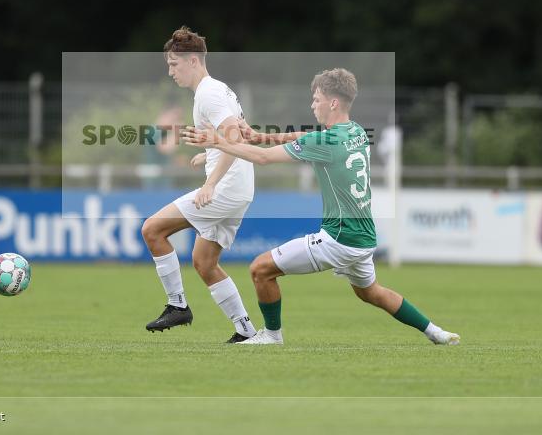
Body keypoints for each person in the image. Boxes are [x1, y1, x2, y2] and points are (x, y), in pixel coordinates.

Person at [182, 68, 460, 346]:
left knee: (260, 269)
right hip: (364, 238)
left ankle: (272, 335)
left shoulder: (323, 141)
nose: (312, 104)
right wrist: (261, 136)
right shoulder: (356, 131)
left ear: (333, 103)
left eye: (317, 99)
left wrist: (217, 142)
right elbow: (307, 136)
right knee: (371, 292)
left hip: (338, 238)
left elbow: (263, 159)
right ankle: (435, 332)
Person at [141, 26, 258, 343]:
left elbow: (234, 138)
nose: (170, 72)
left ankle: (177, 305)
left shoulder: (209, 94)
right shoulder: (219, 90)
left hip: (226, 188)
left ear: (193, 60)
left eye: (173, 64)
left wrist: (210, 183)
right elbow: (238, 135)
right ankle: (246, 331)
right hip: (240, 188)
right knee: (205, 263)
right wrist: (209, 154)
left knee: (152, 230)